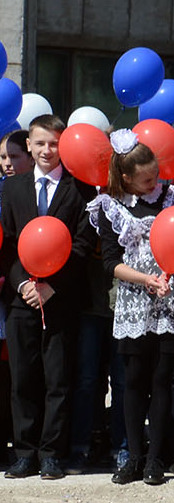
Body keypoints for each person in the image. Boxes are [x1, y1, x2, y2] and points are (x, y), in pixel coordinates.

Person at [89, 134, 174, 487]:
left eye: (156, 176)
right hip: (135, 301)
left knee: (163, 380)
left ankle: (156, 459)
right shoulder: (110, 205)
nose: (155, 183)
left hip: (171, 299)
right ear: (126, 178)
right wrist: (146, 279)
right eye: (146, 179)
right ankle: (133, 457)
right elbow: (110, 262)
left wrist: (170, 274)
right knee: (133, 381)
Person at [2, 114, 98, 480]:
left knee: (58, 379)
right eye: (40, 143)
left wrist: (52, 285)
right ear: (28, 144)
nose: (46, 150)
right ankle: (24, 452)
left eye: (54, 143)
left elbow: (82, 245)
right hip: (21, 299)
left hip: (61, 299)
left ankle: (51, 453)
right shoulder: (13, 188)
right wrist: (23, 284)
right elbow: (8, 245)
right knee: (23, 378)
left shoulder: (80, 190)